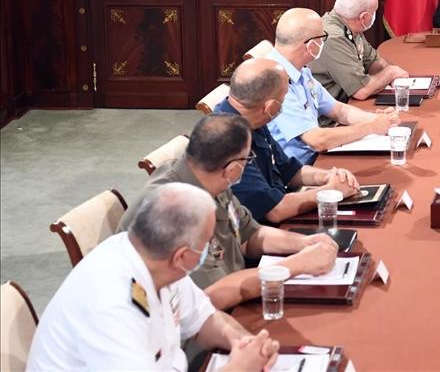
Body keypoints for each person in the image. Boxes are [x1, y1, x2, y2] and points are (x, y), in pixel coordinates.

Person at [28, 183, 280, 371]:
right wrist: (237, 368)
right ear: (182, 256)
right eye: (208, 245)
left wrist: (243, 342)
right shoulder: (110, 304)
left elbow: (203, 318)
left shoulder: (158, 258)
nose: (213, 251)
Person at [119, 114, 338, 311]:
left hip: (234, 294)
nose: (247, 165)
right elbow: (211, 295)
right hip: (190, 329)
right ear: (233, 168)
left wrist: (304, 244)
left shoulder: (210, 176)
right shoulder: (173, 209)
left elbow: (248, 234)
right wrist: (295, 266)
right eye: (247, 159)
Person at [213, 58, 360, 224]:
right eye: (283, 99)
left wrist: (328, 176)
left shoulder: (251, 118)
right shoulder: (227, 141)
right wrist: (330, 191)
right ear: (269, 107)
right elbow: (274, 210)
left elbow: (289, 171)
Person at [267, 8, 401, 165]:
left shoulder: (300, 70)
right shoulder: (274, 81)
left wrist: (378, 119)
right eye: (322, 37)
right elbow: (317, 140)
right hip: (299, 171)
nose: (324, 43)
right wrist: (371, 127)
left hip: (316, 160)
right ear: (311, 45)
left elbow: (338, 110)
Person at [309, 0, 410, 105]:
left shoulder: (349, 25)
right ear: (364, 18)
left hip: (345, 106)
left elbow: (373, 61)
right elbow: (361, 90)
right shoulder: (333, 38)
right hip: (329, 119)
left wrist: (391, 74)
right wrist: (391, 73)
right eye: (374, 11)